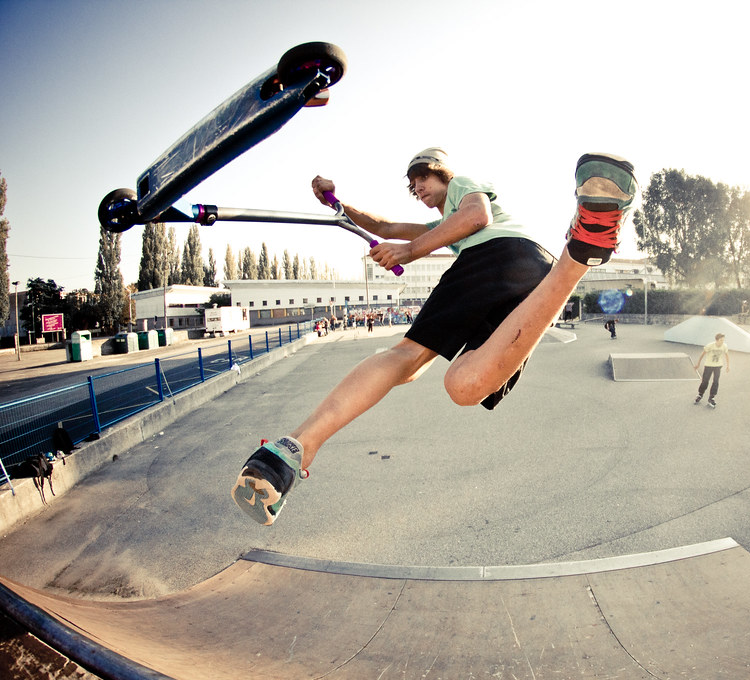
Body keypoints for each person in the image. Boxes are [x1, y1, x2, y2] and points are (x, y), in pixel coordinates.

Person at [232, 148, 638, 525]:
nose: (419, 189)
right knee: (466, 385)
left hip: (496, 253)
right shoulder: (441, 223)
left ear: (443, 174)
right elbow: (384, 226)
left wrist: (410, 251)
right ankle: (579, 253)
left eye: (424, 178)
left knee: (405, 355)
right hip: (537, 274)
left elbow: (476, 217)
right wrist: (338, 205)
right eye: (413, 186)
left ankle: (297, 447)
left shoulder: (463, 187)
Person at [694, 333, 730, 408]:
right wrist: (698, 364)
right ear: (717, 340)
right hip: (708, 365)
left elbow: (727, 355)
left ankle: (711, 398)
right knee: (705, 381)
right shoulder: (710, 345)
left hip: (718, 366)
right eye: (721, 340)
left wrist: (728, 366)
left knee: (716, 382)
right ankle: (700, 394)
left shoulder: (724, 346)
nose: (722, 342)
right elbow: (702, 355)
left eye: (723, 340)